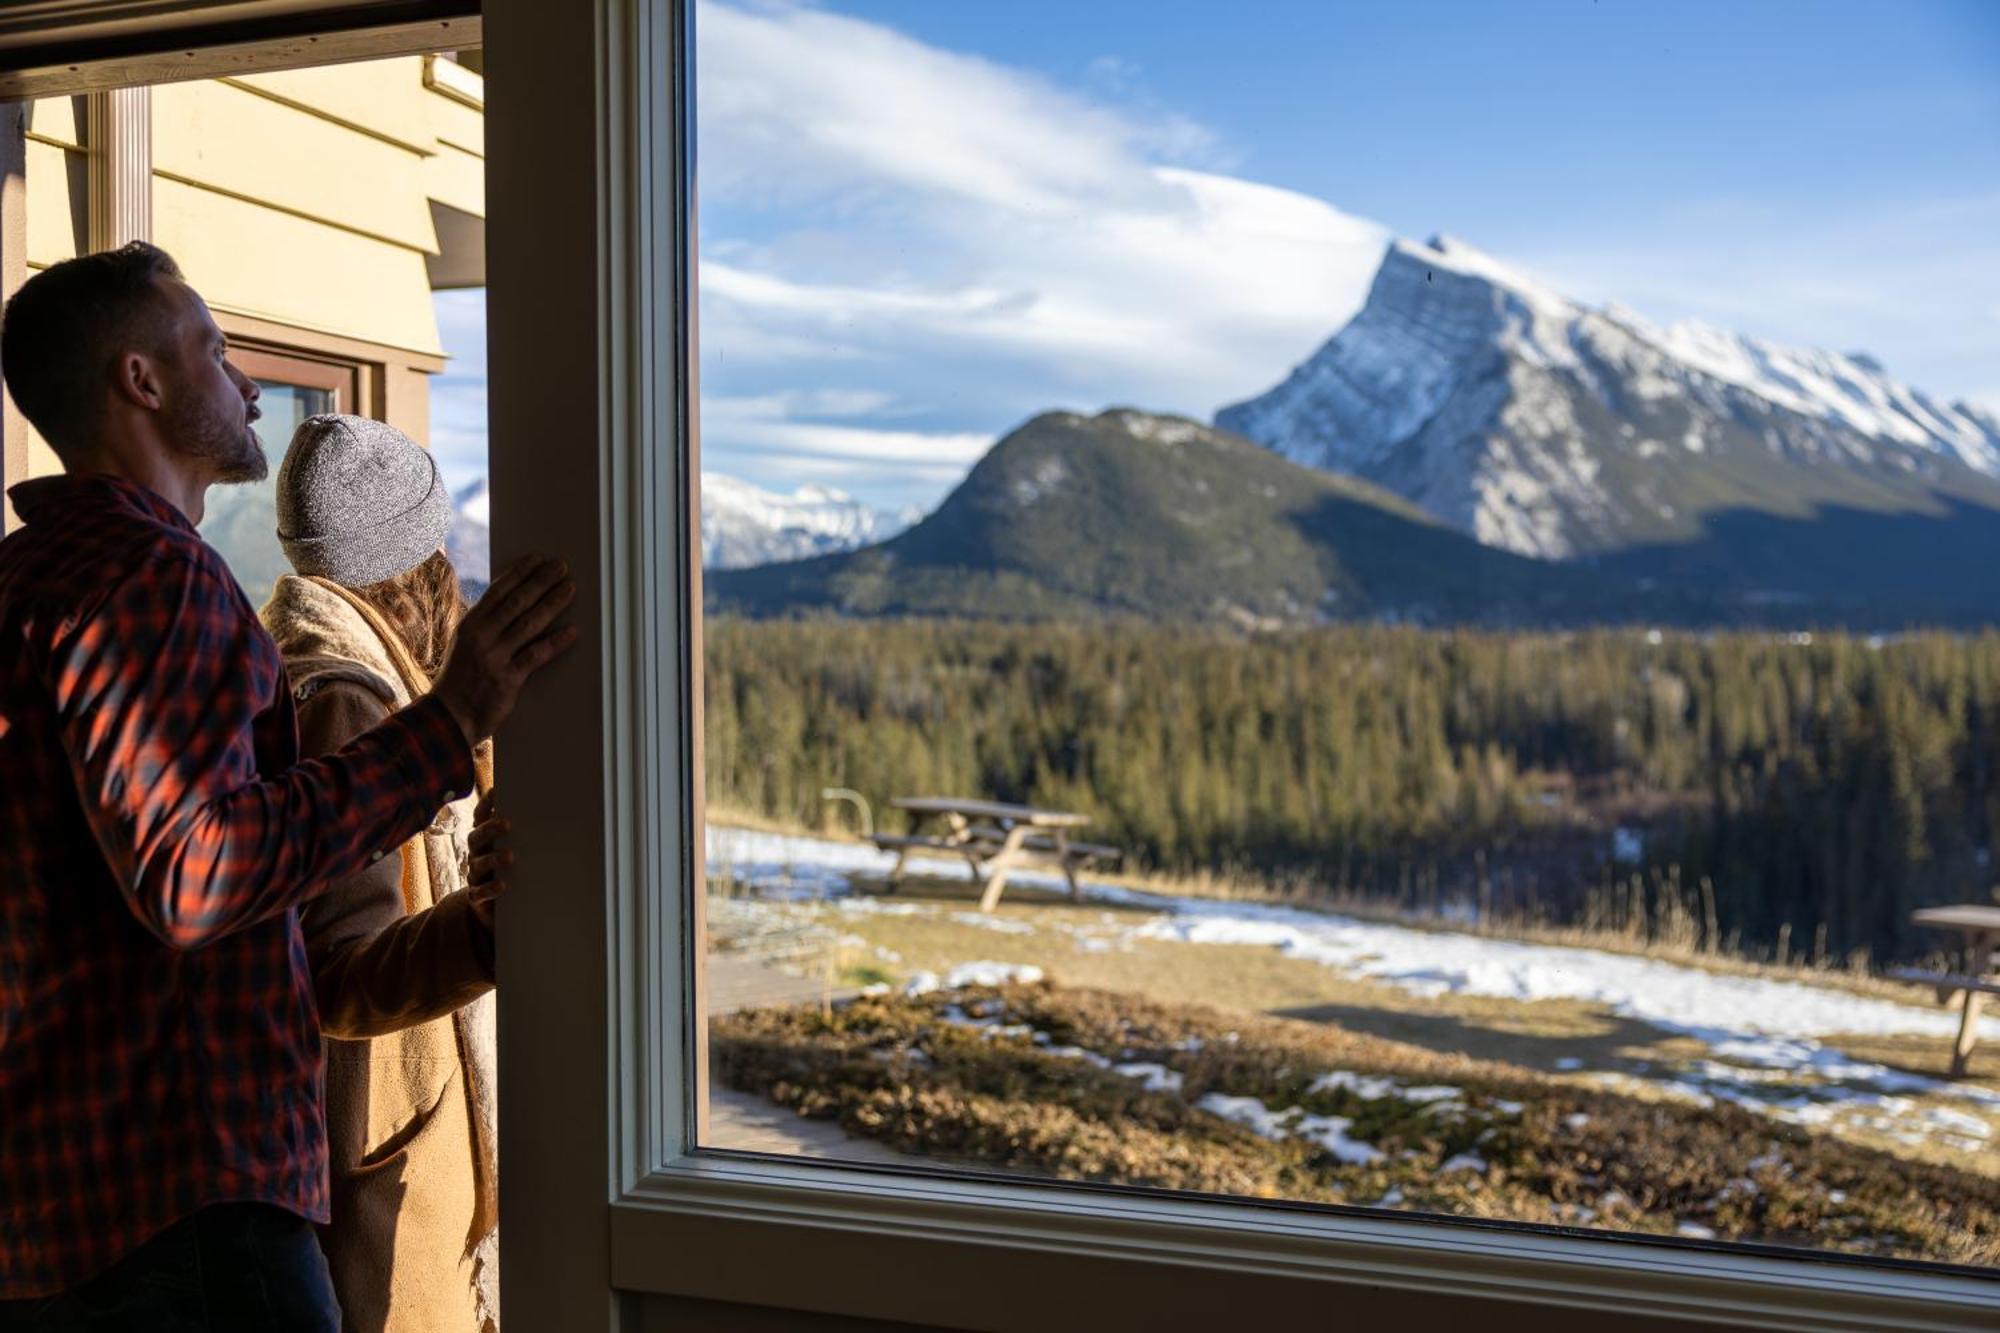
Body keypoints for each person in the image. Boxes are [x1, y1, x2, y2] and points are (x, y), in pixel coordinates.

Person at [0, 242, 574, 1330]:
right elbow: (192, 872)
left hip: (56, 1213)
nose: (248, 382)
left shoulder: (27, 584)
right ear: (142, 380)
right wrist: (447, 725)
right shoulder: (151, 577)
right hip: (185, 1208)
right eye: (216, 350)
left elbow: (276, 942)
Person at [261, 415, 504, 1332]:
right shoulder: (350, 704)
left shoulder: (306, 662)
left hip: (363, 1138)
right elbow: (343, 970)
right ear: (413, 561)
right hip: (378, 1148)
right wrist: (485, 928)